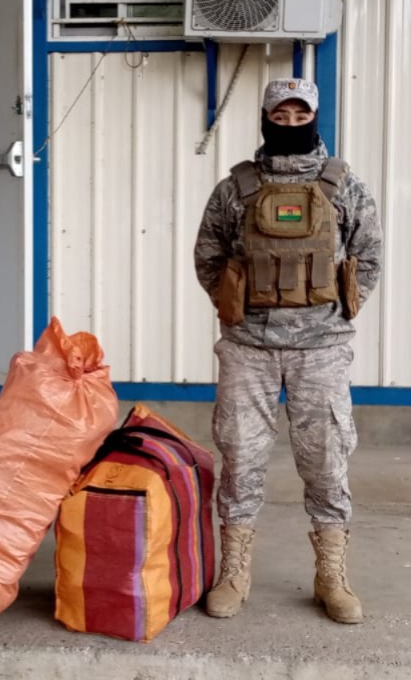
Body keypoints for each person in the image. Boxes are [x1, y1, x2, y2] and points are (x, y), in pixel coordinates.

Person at [193, 78, 383, 624]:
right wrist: (237, 307)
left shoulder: (344, 186)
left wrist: (335, 314)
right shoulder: (235, 188)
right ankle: (234, 571)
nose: (291, 123)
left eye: (301, 116)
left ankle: (331, 576)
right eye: (281, 115)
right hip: (248, 349)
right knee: (240, 457)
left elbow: (369, 255)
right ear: (265, 117)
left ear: (315, 119)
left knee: (326, 459)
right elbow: (208, 255)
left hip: (321, 349)